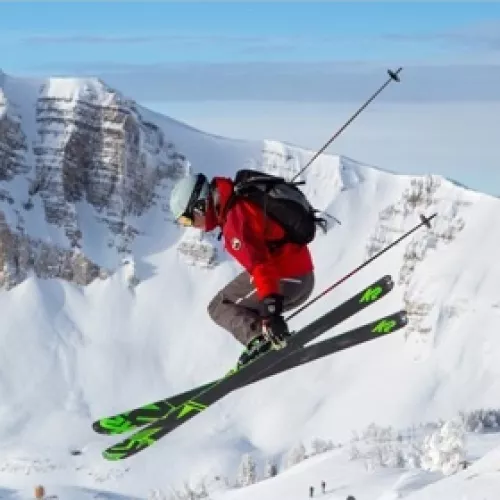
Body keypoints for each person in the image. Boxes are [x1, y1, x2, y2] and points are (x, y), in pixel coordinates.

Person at [169, 171, 316, 368]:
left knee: (220, 306)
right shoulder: (238, 201)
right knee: (235, 304)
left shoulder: (235, 219)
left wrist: (272, 312)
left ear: (200, 206)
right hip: (299, 277)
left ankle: (259, 342)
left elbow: (261, 265)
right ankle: (265, 337)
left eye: (188, 220)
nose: (192, 226)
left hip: (287, 279)